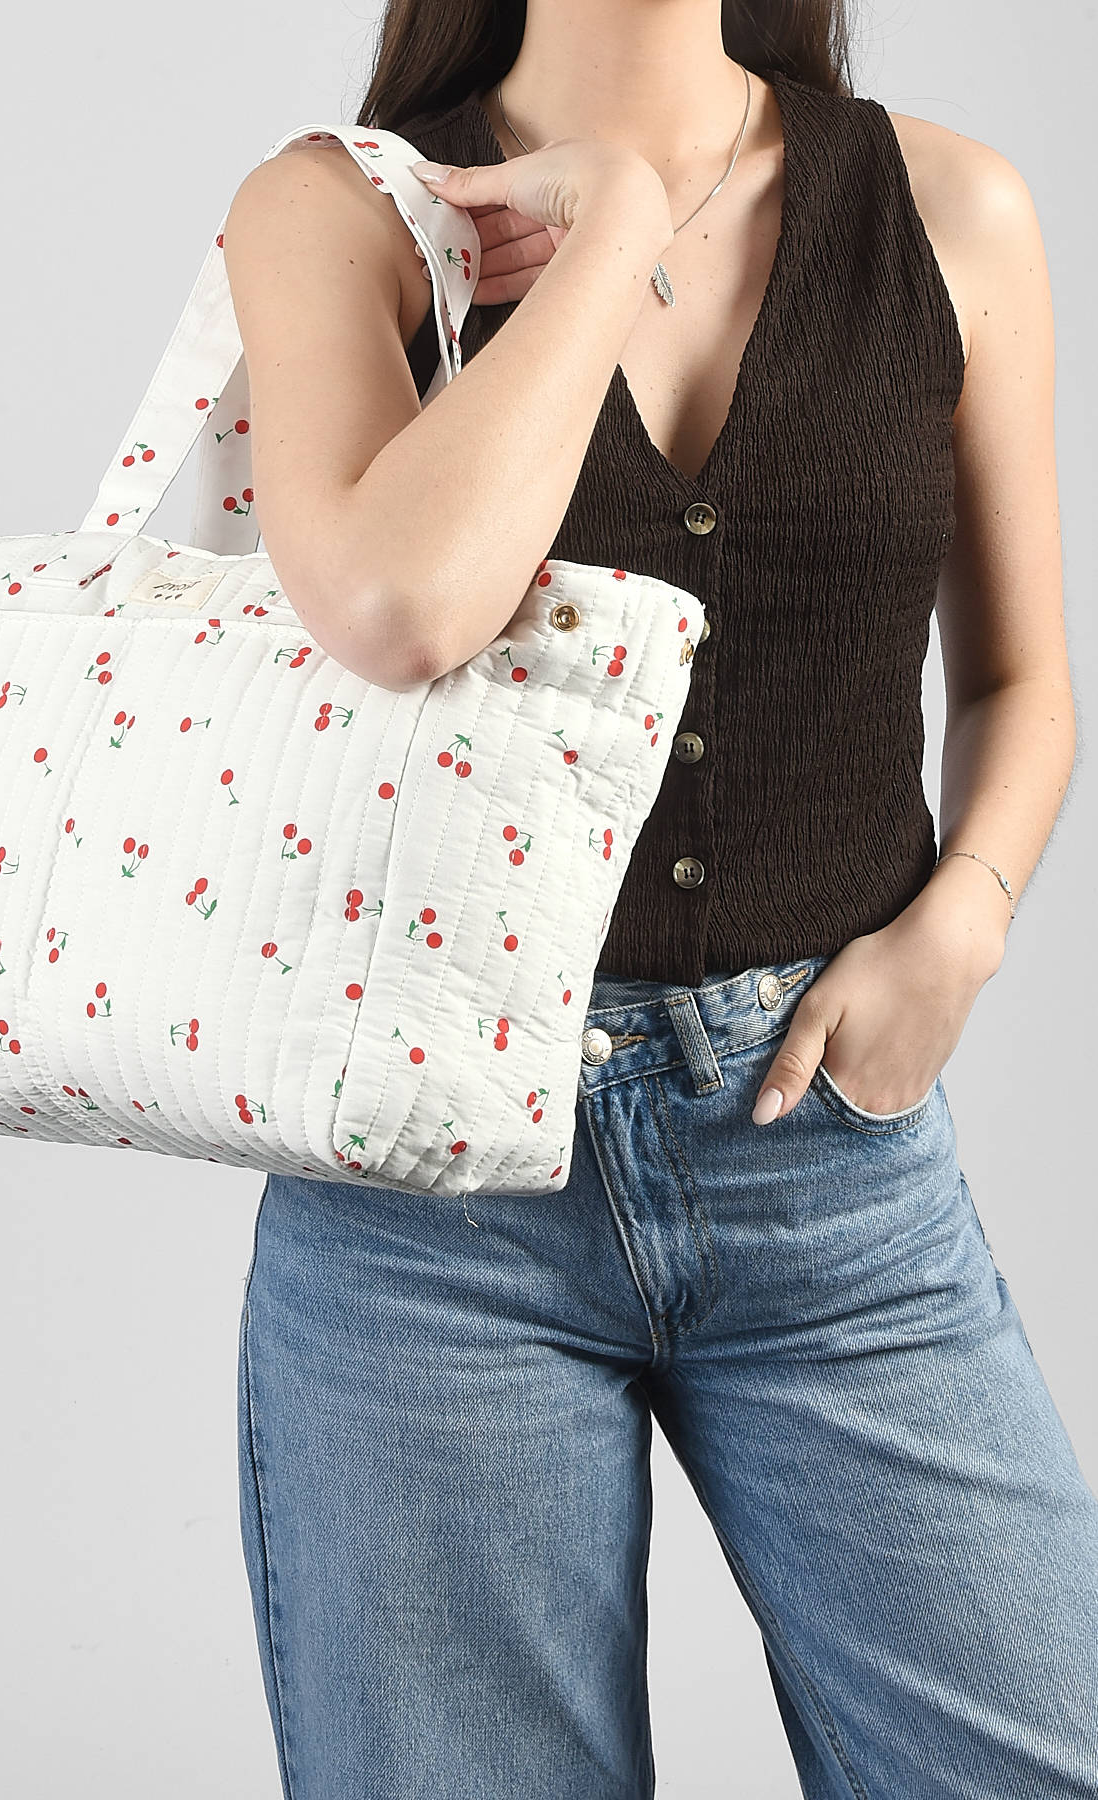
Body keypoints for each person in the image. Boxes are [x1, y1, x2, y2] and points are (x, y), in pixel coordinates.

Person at [219, 1, 1098, 1794]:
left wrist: (965, 918)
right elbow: (399, 602)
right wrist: (613, 224)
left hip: (827, 1164)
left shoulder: (949, 209)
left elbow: (1017, 680)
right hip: (428, 1208)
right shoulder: (344, 211)